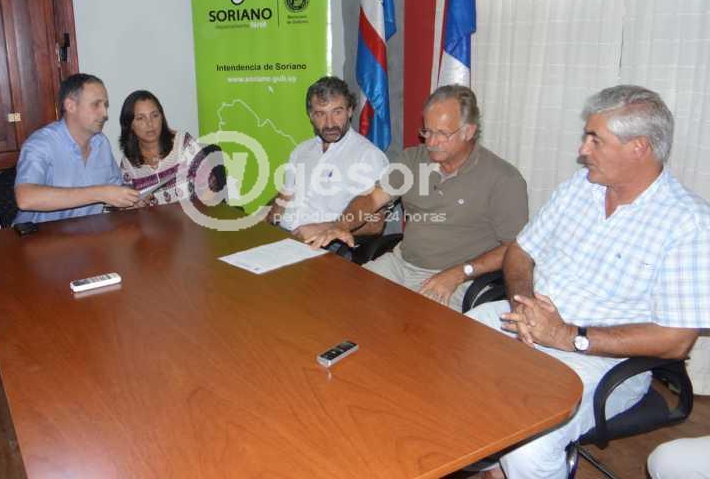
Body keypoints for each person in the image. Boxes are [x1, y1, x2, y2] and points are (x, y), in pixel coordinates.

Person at [467, 85, 710, 479]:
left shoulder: (688, 223)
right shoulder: (579, 188)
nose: (583, 150)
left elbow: (676, 340)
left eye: (596, 140)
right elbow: (520, 251)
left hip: (598, 357)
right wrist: (523, 303)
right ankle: (493, 463)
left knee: (527, 443)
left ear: (639, 148)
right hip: (527, 321)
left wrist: (569, 336)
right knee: (443, 363)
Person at [300, 84, 528, 311]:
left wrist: (461, 272)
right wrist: (342, 225)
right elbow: (371, 199)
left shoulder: (503, 178)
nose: (431, 143)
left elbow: (516, 248)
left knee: (413, 324)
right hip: (400, 264)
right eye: (427, 131)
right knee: (342, 301)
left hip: (456, 278)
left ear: (468, 132)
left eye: (441, 134)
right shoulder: (412, 159)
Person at [266, 76, 389, 238]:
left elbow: (376, 224)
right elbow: (285, 195)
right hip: (283, 236)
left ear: (350, 111)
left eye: (337, 112)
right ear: (310, 116)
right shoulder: (302, 150)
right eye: (320, 114)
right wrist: (260, 220)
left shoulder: (368, 156)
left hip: (326, 242)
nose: (330, 124)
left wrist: (326, 229)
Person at [14, 73, 141, 224]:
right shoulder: (41, 144)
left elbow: (114, 188)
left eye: (105, 105)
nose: (105, 114)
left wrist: (130, 198)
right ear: (70, 106)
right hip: (40, 234)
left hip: (87, 232)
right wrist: (99, 193)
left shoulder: (101, 143)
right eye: (96, 104)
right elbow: (25, 198)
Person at [118, 90, 219, 205]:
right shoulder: (128, 165)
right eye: (141, 118)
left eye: (155, 115)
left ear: (162, 118)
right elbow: (127, 207)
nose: (150, 123)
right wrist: (136, 204)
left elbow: (211, 188)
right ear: (130, 125)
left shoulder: (183, 144)